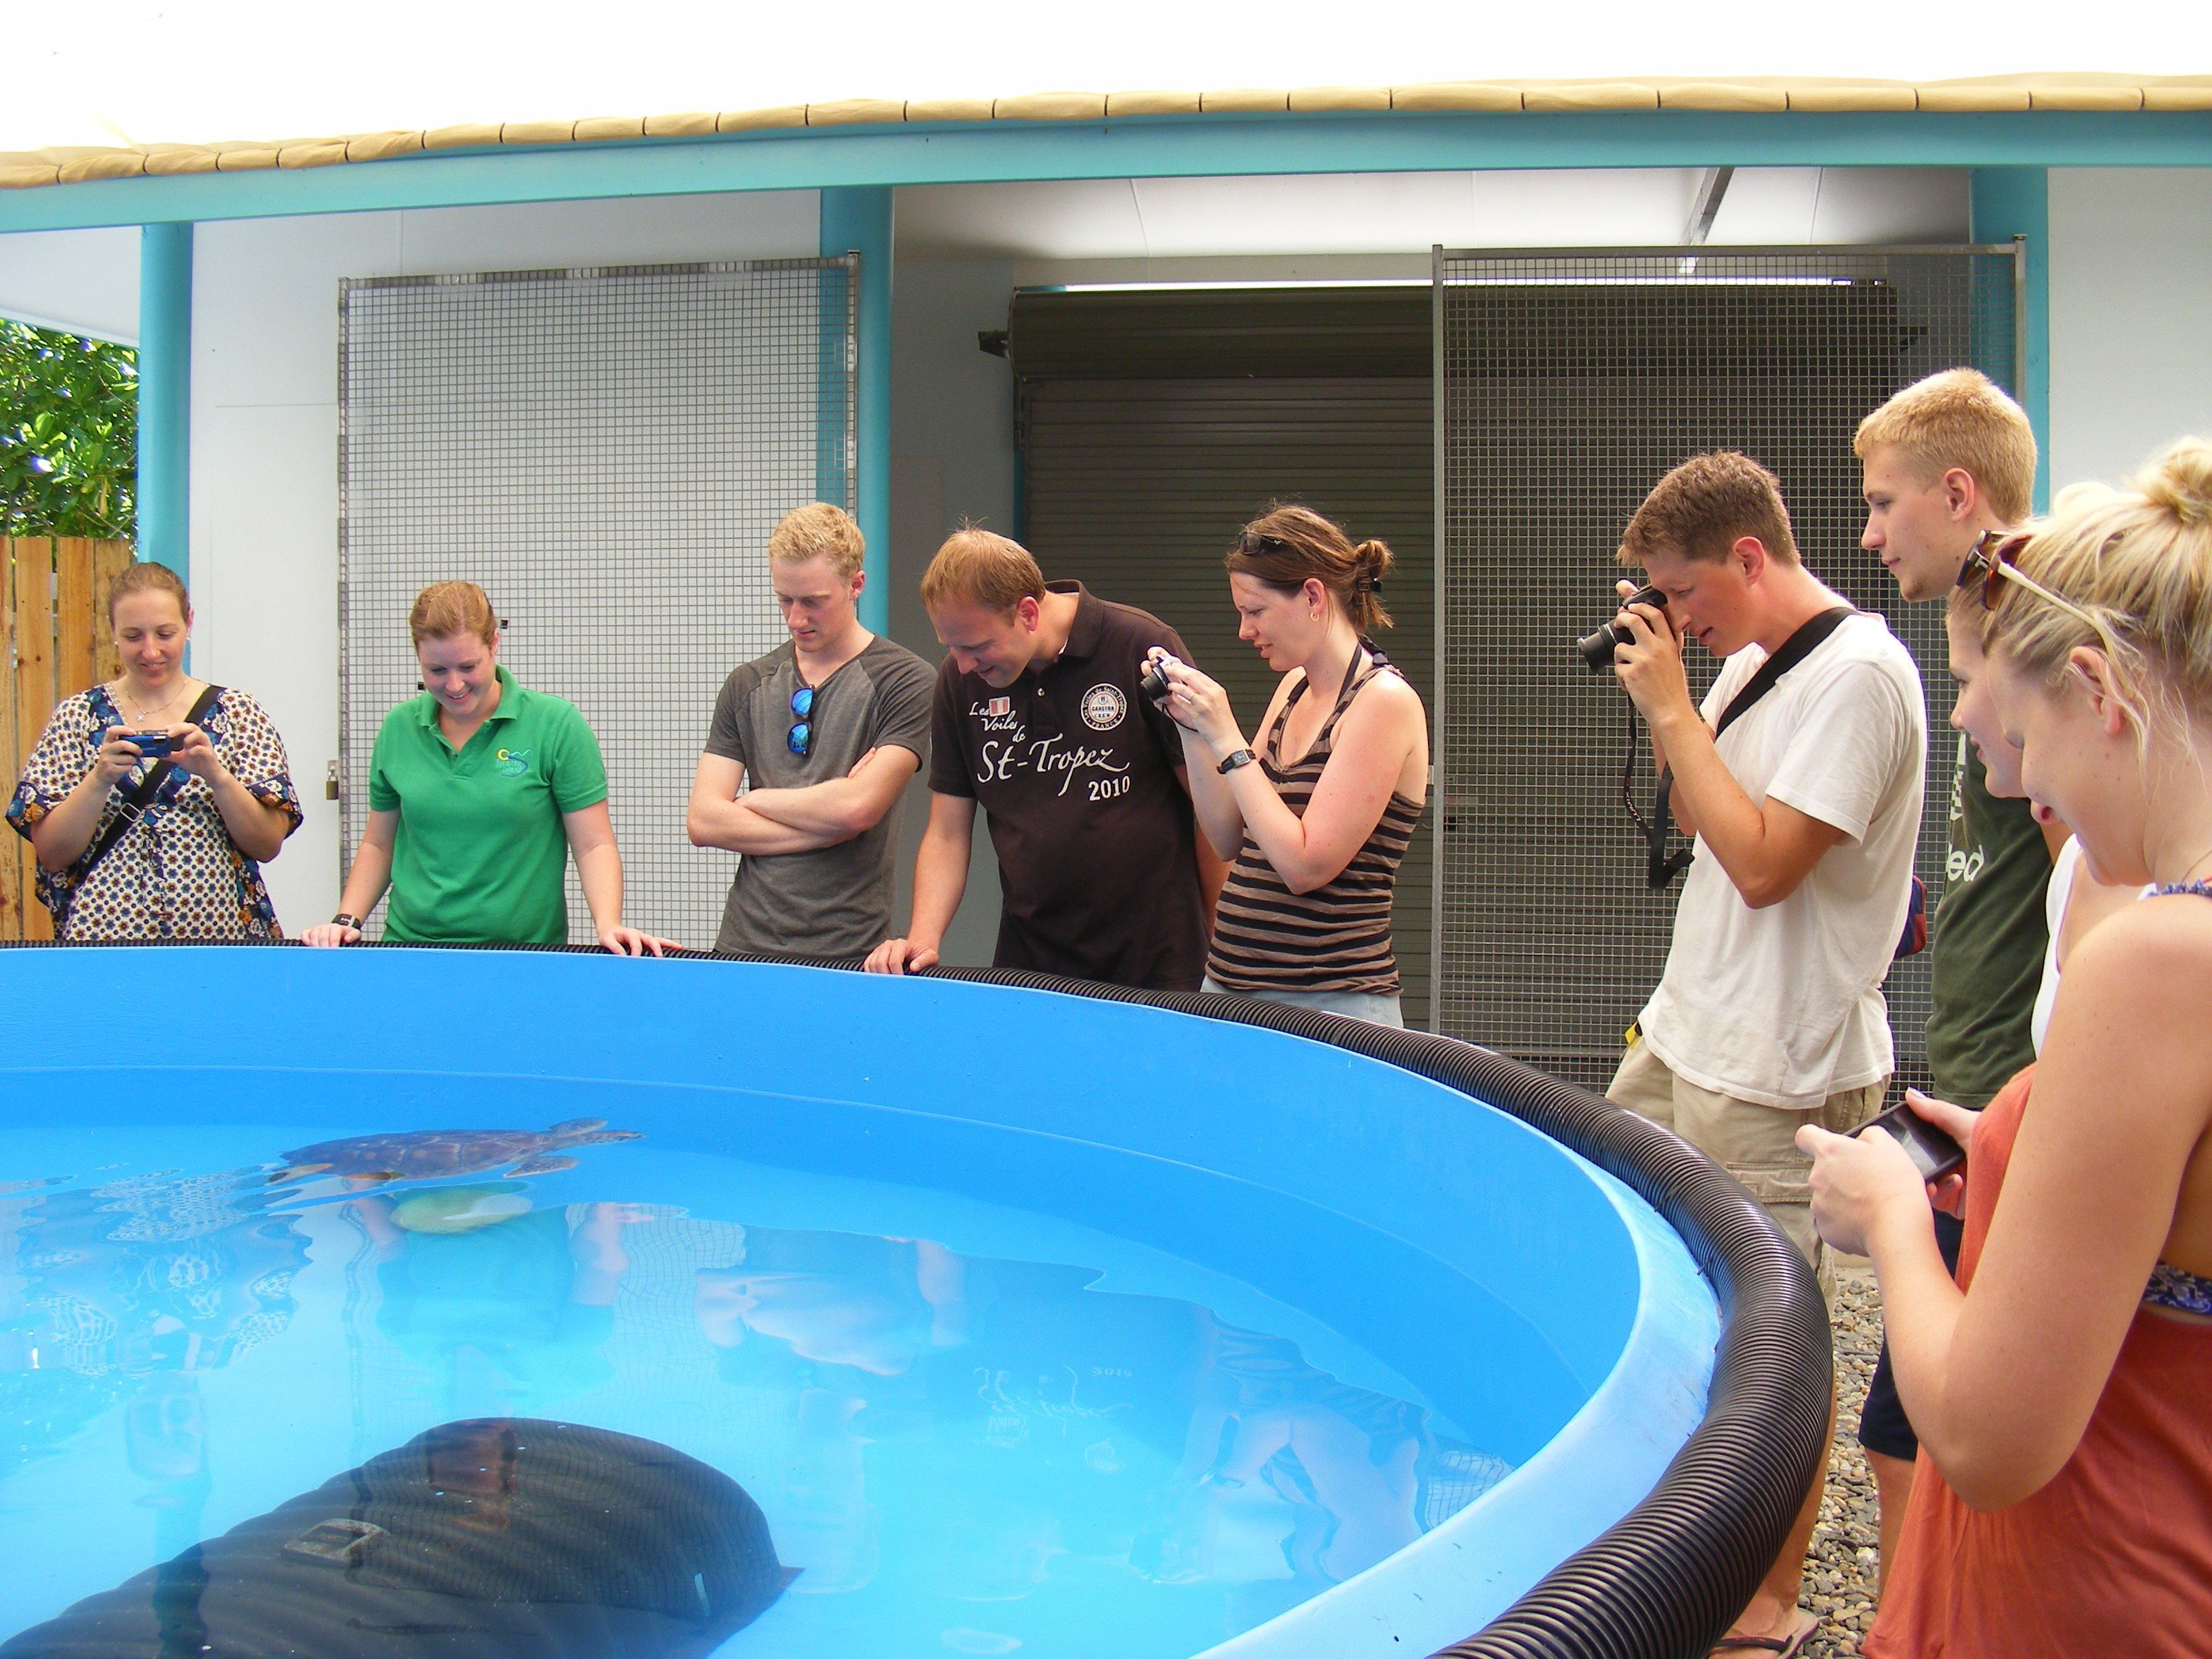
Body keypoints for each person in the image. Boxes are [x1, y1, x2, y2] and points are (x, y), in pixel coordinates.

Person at [1804, 438, 2212, 1658]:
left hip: (2084, 1592)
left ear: (2097, 688)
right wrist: (2008, 1154)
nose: (2040, 797)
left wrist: (1883, 1206)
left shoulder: (2157, 959)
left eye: (2032, 747)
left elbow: (1983, 1440)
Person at [1605, 451, 1927, 1658]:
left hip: (1780, 1061)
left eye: (1681, 589)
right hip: (1687, 1026)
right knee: (1654, 1292)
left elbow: (1761, 860)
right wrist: (1680, 698)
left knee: (1772, 1349)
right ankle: (1673, 1539)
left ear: (1747, 556)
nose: (1672, 616)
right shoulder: (1739, 661)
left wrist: (1669, 708)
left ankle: (1765, 1607)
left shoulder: (1860, 676)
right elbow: (1698, 818)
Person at [1852, 370, 2053, 1576]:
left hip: (2023, 1108)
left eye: (1882, 505)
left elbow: (2087, 883)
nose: (1869, 534)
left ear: (1956, 491)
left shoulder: (2033, 627)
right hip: (1978, 1092)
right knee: (1900, 1436)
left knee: (1926, 1426)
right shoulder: (1970, 628)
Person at [865, 529, 1222, 989]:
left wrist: (1223, 943)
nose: (963, 664)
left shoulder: (1139, 646)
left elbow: (1216, 820)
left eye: (976, 647)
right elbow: (948, 832)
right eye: (950, 647)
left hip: (1158, 961)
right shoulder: (960, 682)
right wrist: (923, 937)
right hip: (1030, 963)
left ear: (1028, 613)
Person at [1145, 506, 1429, 1027]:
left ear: (1314, 597)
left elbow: (1304, 866)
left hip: (1327, 1006)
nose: (1244, 630)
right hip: (1230, 986)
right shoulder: (1294, 688)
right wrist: (1192, 729)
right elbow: (1229, 835)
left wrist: (1228, 736)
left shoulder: (1383, 701)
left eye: (1255, 611)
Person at [301, 581, 669, 956]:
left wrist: (607, 922)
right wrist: (346, 920)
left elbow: (593, 845)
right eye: (437, 670)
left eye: (468, 666)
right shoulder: (399, 728)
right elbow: (379, 845)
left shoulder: (555, 725)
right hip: (411, 951)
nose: (454, 684)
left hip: (524, 956)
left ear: (494, 643)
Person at [687, 504, 933, 958]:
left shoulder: (905, 680)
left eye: (814, 601)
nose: (796, 618)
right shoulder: (748, 684)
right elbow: (703, 821)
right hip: (743, 946)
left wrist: (755, 801)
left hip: (851, 951)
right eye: (785, 599)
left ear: (856, 584)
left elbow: (858, 809)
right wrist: (826, 827)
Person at [7, 562, 299, 941]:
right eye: (133, 636)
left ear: (189, 622)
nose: (151, 651)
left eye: (165, 633)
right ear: (112, 631)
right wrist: (99, 780)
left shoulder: (239, 713)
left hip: (215, 941)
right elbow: (53, 853)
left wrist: (216, 775)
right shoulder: (78, 717)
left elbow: (267, 844)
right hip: (105, 939)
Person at [1940, 577, 2138, 1061]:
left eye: (2026, 738)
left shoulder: (2166, 933)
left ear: (2097, 691)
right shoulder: (2075, 867)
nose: (2040, 812)